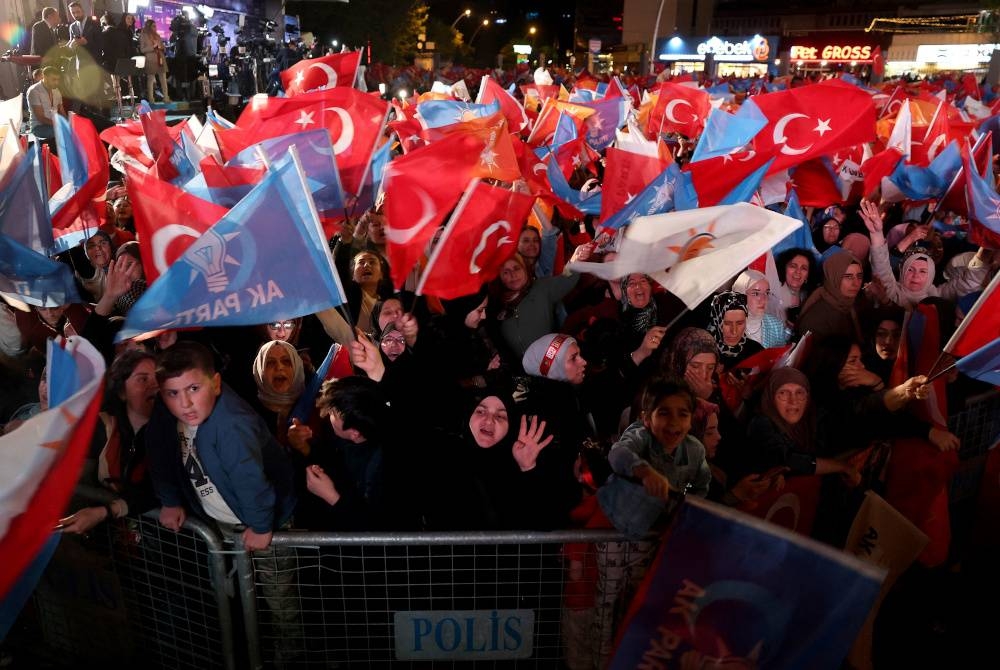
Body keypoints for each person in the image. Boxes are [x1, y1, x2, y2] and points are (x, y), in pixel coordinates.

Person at [146, 341, 296, 547]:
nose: (184, 403)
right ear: (162, 394)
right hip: (221, 517)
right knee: (229, 573)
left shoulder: (232, 425)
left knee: (272, 576)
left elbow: (249, 480)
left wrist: (261, 527)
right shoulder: (166, 411)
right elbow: (159, 452)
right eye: (173, 393)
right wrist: (169, 500)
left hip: (265, 520)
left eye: (193, 388)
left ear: (216, 383)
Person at [58, 350, 159, 533]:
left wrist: (106, 510)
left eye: (158, 378)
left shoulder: (172, 430)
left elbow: (159, 489)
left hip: (157, 534)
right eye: (143, 379)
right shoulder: (102, 425)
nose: (155, 386)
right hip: (106, 534)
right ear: (121, 391)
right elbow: (80, 480)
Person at [860, 199, 990, 310]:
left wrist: (987, 248)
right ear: (903, 271)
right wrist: (876, 233)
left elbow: (968, 282)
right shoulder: (891, 292)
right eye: (911, 269)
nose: (916, 275)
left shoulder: (939, 297)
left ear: (931, 274)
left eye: (923, 271)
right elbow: (881, 267)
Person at [796, 250, 864, 341]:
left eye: (859, 276)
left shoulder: (854, 304)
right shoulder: (816, 319)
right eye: (848, 277)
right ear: (833, 278)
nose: (856, 283)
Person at [706, 291, 763, 369]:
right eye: (727, 323)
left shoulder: (756, 351)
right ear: (716, 321)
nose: (734, 331)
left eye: (740, 323)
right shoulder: (702, 352)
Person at [732, 270, 787, 348]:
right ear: (740, 295)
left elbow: (782, 357)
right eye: (756, 293)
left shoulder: (776, 326)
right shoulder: (725, 326)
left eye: (767, 293)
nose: (764, 299)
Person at [26, 66, 64, 143]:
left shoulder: (56, 90)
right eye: (54, 79)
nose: (57, 82)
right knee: (62, 132)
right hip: (38, 127)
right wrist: (61, 125)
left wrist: (68, 122)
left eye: (58, 80)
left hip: (54, 125)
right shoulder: (34, 91)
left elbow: (62, 110)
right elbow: (41, 118)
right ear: (44, 77)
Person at [139, 19, 170, 103]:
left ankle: (166, 97)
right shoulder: (143, 35)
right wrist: (153, 47)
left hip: (160, 58)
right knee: (150, 79)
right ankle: (151, 98)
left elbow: (163, 47)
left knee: (163, 78)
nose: (155, 28)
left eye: (155, 26)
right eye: (153, 26)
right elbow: (142, 49)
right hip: (151, 60)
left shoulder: (157, 35)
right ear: (148, 26)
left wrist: (161, 47)